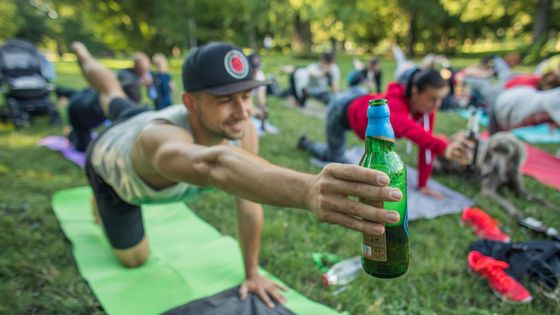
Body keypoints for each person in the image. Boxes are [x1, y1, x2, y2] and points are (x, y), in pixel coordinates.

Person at [71, 41, 403, 308]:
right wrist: (308, 189)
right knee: (134, 260)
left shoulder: (240, 128)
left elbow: (247, 197)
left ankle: (82, 53)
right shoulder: (160, 139)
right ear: (190, 102)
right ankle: (85, 57)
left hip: (142, 117)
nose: (243, 112)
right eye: (225, 100)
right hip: (111, 167)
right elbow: (213, 165)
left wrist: (252, 273)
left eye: (245, 96)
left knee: (114, 97)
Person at [298, 69, 472, 199]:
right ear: (415, 92)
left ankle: (315, 93)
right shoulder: (393, 109)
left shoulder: (426, 110)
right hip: (341, 113)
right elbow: (417, 134)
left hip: (358, 97)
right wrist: (444, 147)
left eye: (441, 99)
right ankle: (306, 143)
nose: (437, 105)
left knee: (333, 96)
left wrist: (423, 184)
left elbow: (426, 144)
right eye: (433, 98)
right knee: (334, 155)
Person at [488, 86, 560, 134]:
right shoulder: (553, 100)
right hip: (503, 107)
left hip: (507, 102)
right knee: (496, 145)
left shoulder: (552, 97)